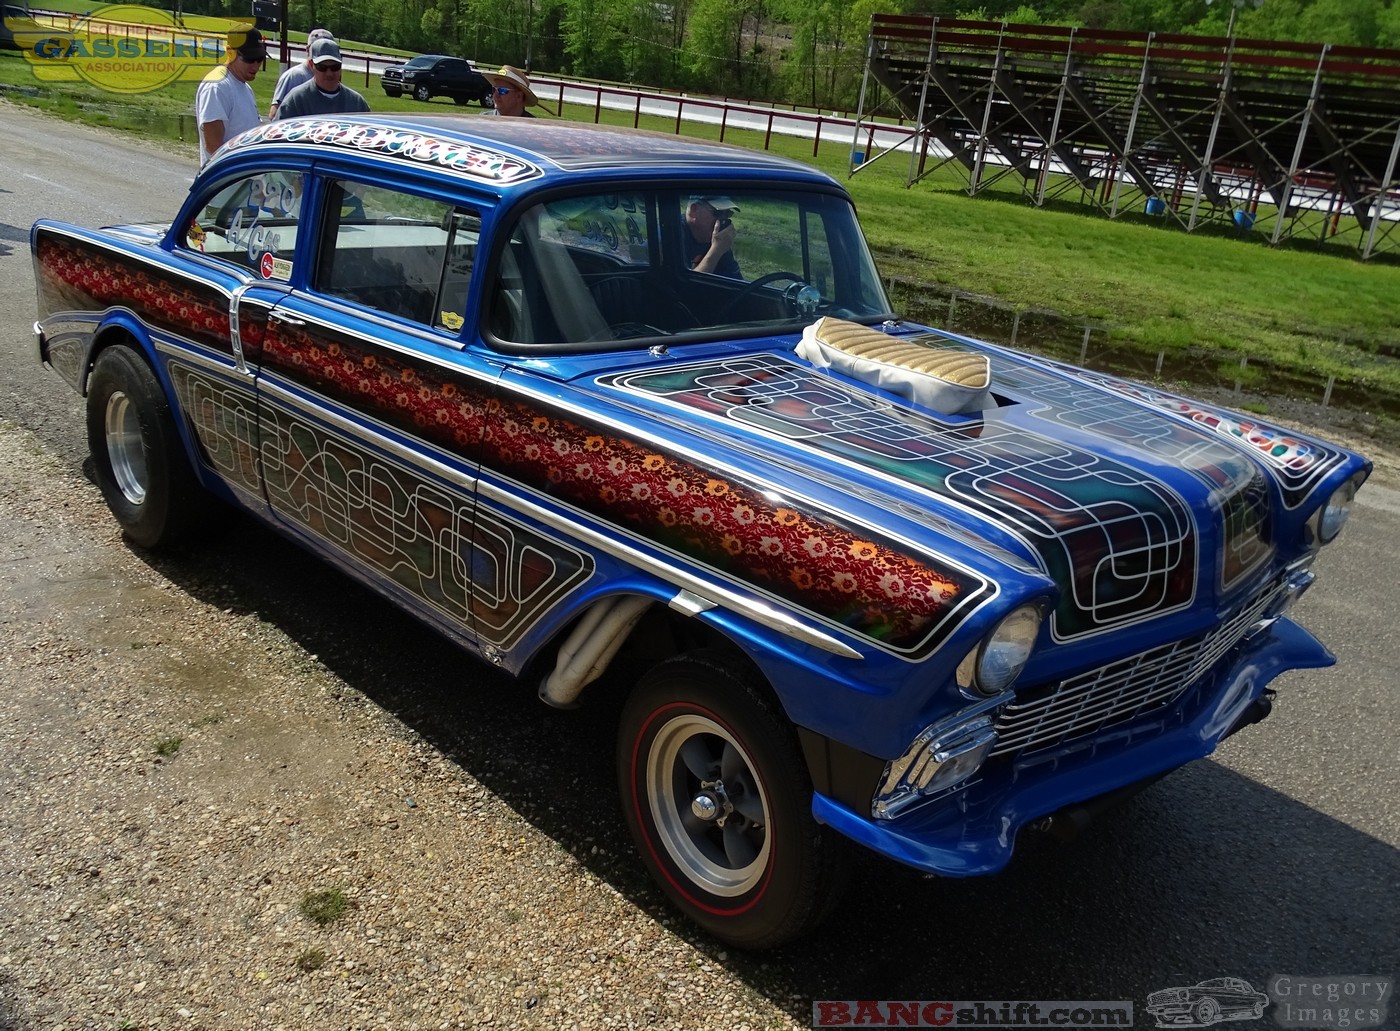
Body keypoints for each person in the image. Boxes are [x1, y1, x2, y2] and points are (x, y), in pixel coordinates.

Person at [195, 26, 266, 168]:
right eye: (250, 58)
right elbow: (213, 146)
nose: (255, 65)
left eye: (259, 59)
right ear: (230, 52)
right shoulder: (217, 87)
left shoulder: (245, 87)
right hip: (225, 181)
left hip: (244, 178)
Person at [275, 38, 370, 119]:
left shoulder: (357, 103)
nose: (329, 73)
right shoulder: (296, 100)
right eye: (322, 67)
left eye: (335, 67)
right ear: (312, 65)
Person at [268, 27, 334, 119]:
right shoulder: (294, 76)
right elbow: (274, 114)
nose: (322, 53)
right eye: (316, 48)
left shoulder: (331, 77)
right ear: (307, 50)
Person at [683, 196, 740, 278]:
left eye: (727, 214)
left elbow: (735, 280)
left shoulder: (718, 239)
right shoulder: (671, 235)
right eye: (718, 213)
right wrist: (716, 250)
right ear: (694, 210)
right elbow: (682, 287)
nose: (723, 221)